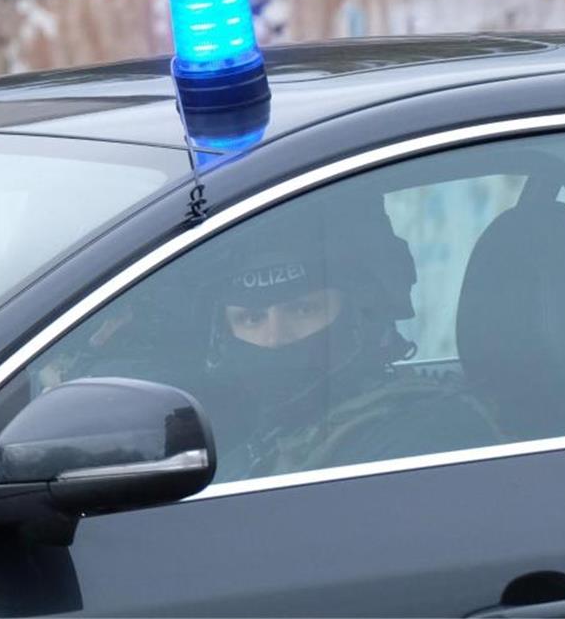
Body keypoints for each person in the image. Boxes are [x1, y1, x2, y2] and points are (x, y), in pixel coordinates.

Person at [198, 193, 504, 482]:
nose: (275, 338)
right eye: (252, 319)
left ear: (362, 315)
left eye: (303, 310)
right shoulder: (258, 436)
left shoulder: (421, 442)